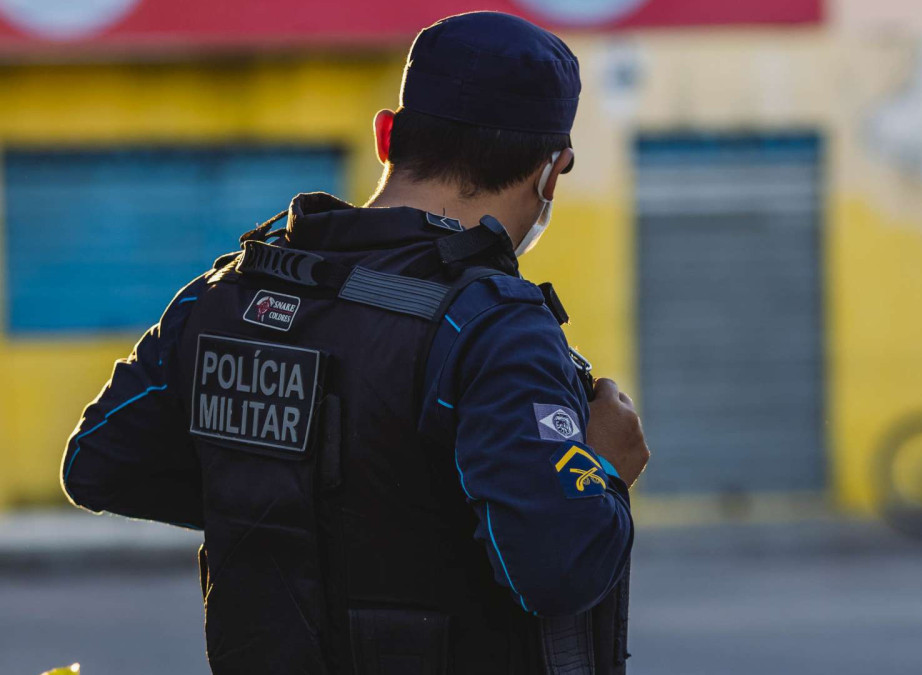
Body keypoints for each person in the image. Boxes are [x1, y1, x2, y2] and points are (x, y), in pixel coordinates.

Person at [60, 11, 649, 675]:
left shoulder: (228, 294)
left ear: (386, 135)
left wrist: (294, 505)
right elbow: (558, 570)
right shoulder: (495, 329)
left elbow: (99, 463)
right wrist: (603, 467)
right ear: (551, 173)